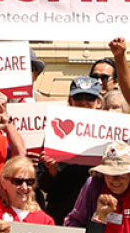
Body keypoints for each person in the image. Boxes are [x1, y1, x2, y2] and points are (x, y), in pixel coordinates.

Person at [38, 76, 101, 222]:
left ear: (98, 102)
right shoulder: (54, 134)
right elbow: (42, 185)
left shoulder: (108, 135)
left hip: (96, 214)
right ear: (70, 100)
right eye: (78, 97)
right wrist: (52, 172)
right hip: (61, 213)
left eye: (90, 98)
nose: (84, 102)